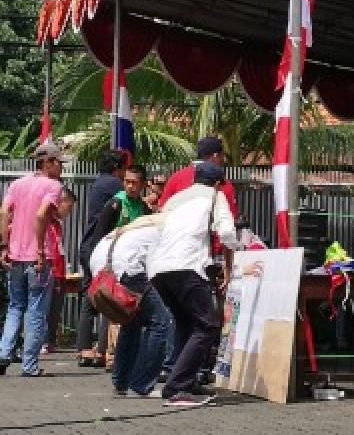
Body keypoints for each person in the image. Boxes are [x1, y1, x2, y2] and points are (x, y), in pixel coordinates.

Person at [133, 161, 241, 407]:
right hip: (187, 266)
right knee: (208, 325)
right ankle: (177, 387)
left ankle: (183, 378)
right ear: (216, 183)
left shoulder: (175, 199)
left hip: (158, 268)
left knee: (185, 323)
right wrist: (228, 266)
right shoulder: (216, 195)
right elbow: (226, 234)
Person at [0, 142, 63, 377]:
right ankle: (29, 365)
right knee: (35, 311)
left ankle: (4, 354)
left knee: (15, 306)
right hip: (38, 258)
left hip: (15, 255)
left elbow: (3, 212)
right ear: (47, 162)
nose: (60, 167)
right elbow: (42, 214)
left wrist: (4, 245)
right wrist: (41, 250)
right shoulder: (53, 186)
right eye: (58, 162)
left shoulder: (18, 184)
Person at [88, 219, 167, 397]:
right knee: (160, 322)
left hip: (100, 269)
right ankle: (141, 384)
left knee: (131, 322)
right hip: (126, 268)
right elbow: (157, 270)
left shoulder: (136, 228)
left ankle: (121, 381)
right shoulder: (163, 233)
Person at [75, 150, 127, 368]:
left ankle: (85, 348)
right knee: (109, 297)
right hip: (101, 248)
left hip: (89, 246)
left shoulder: (99, 183)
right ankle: (104, 350)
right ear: (117, 168)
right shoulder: (114, 185)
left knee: (90, 296)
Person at [44, 187, 77, 354]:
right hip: (53, 272)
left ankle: (50, 341)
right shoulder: (47, 222)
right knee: (48, 309)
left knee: (56, 309)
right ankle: (44, 341)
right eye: (69, 207)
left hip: (60, 271)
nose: (70, 212)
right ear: (60, 202)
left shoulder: (58, 224)